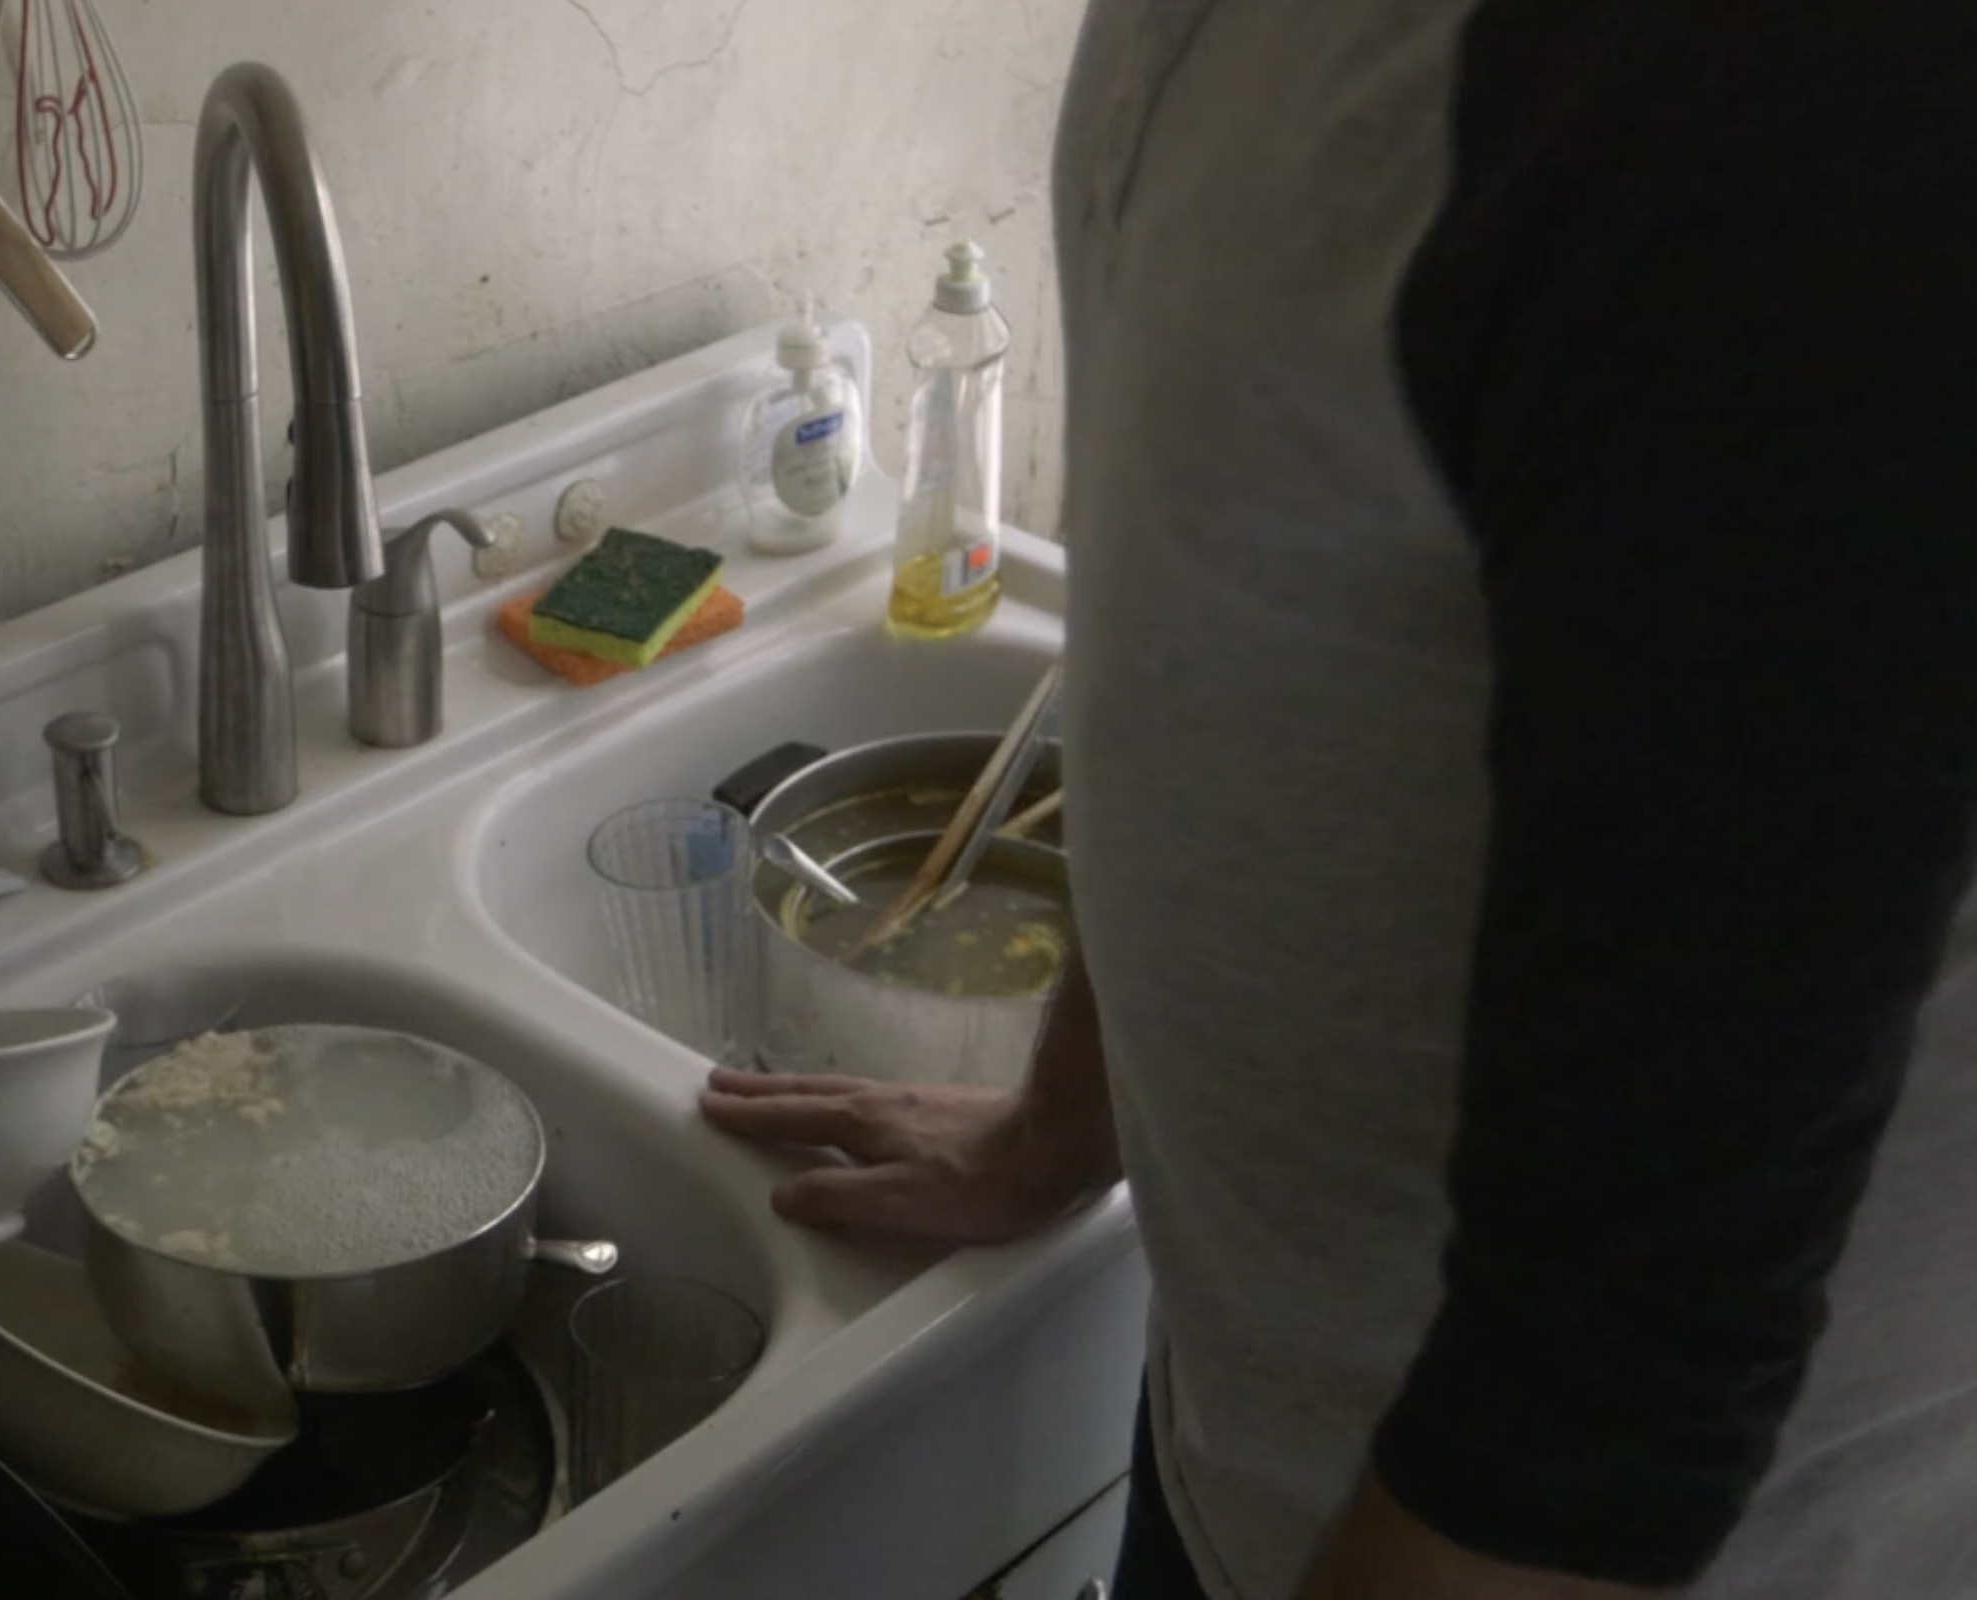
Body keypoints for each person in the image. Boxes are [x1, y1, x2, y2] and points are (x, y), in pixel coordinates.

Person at [704, 4, 1977, 1598]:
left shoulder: (1782, 92)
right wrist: (1064, 1122)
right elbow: (1216, 630)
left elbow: (1615, 1374)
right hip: (1243, 1446)